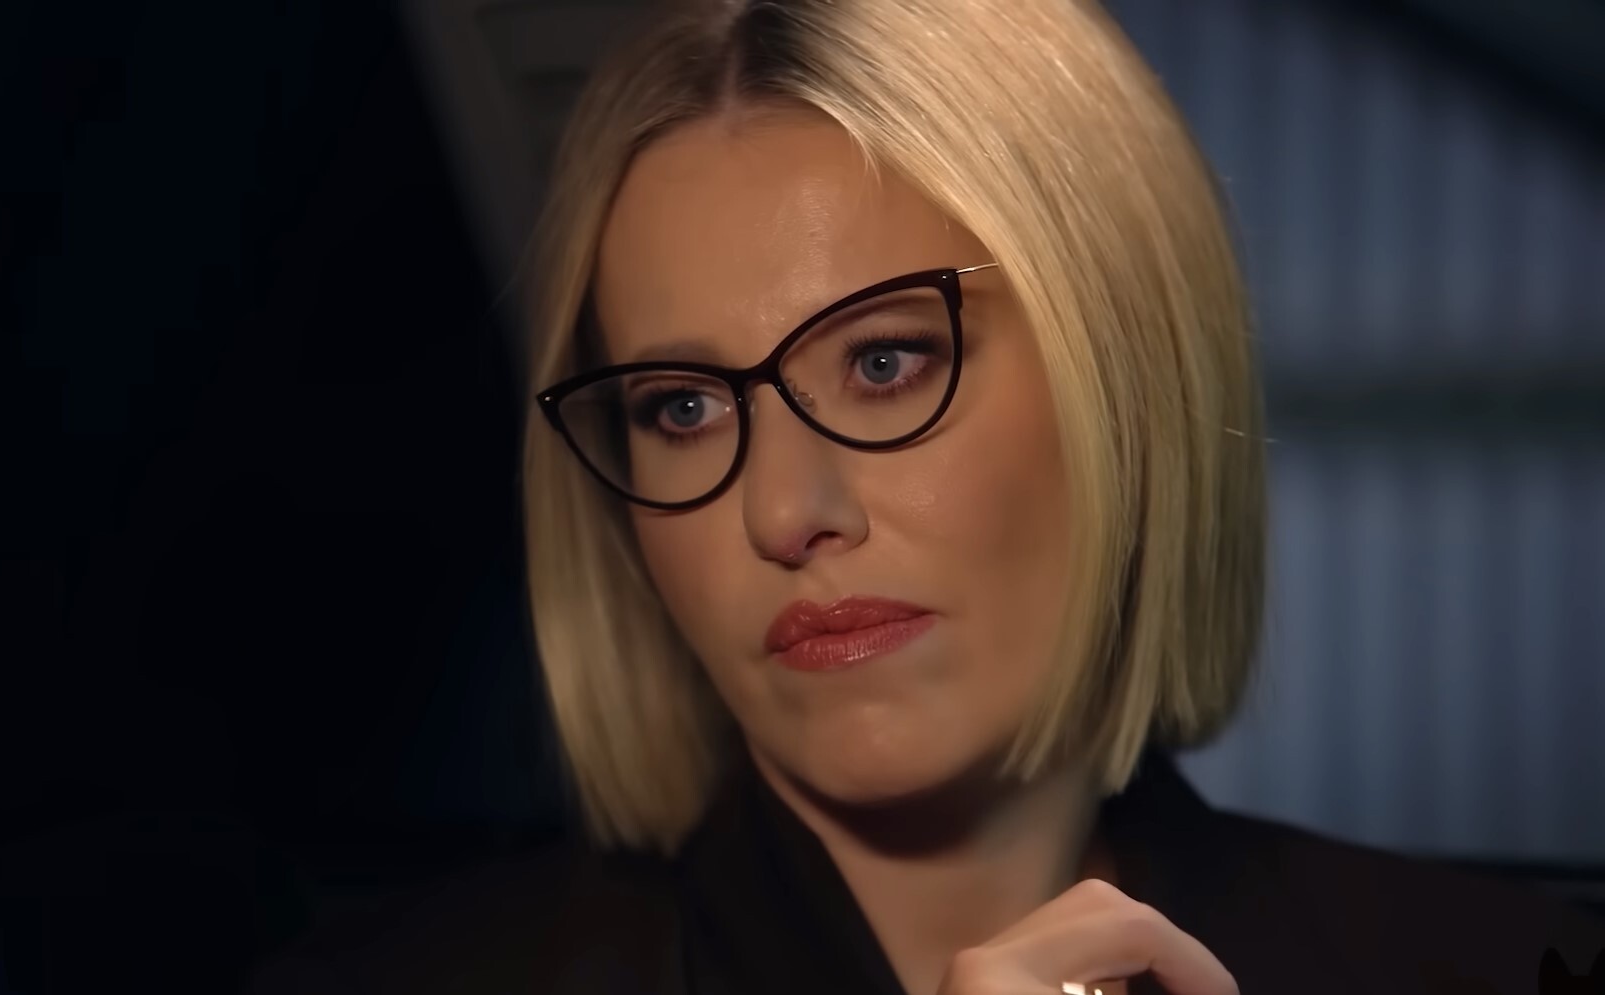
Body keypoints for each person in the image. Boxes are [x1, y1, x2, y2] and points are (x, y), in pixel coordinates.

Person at [246, 1, 1605, 992]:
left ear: (1124, 380)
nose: (784, 512)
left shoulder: (1497, 970)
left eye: (886, 361)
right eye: (682, 408)